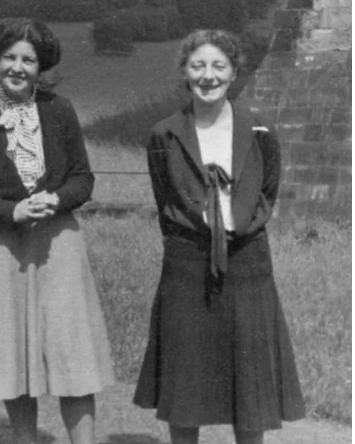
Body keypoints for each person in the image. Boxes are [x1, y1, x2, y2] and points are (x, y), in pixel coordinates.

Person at [0, 18, 115, 444]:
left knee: (71, 354)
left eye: (29, 59)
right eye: (10, 57)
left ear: (42, 67)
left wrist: (57, 199)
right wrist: (11, 210)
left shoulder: (59, 111)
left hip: (58, 245)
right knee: (13, 360)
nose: (18, 67)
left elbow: (82, 177)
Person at [133, 29, 306, 444]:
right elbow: (165, 201)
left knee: (250, 383)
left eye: (217, 66)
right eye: (198, 66)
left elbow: (267, 192)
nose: (207, 76)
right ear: (184, 72)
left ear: (233, 73)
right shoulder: (165, 133)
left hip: (248, 264)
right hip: (187, 266)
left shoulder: (260, 128)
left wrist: (237, 225)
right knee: (184, 378)